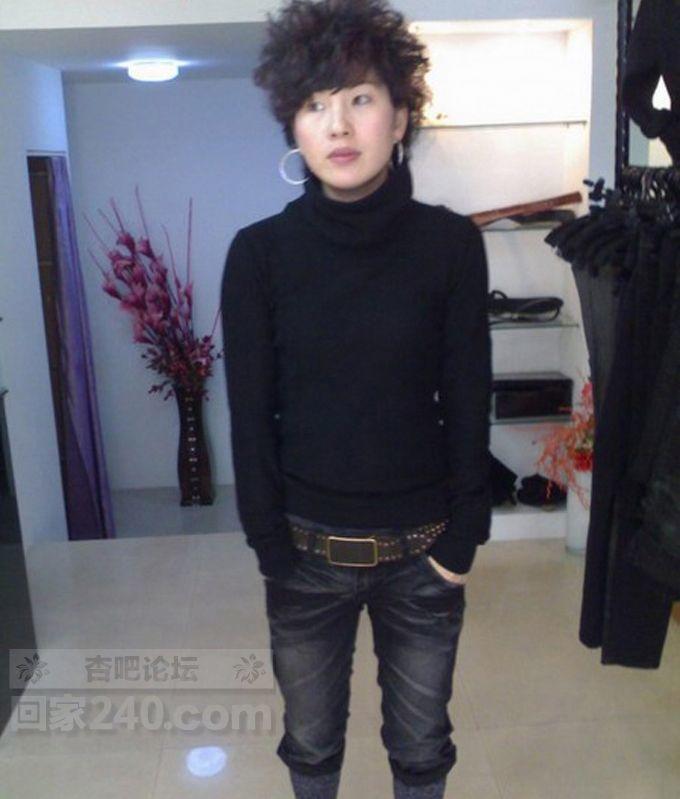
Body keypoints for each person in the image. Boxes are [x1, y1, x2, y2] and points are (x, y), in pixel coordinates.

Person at [220, 1, 492, 797]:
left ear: (400, 116)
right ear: (294, 128)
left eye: (360, 98)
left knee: (422, 748)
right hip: (304, 555)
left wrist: (463, 539)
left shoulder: (450, 244)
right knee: (310, 749)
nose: (337, 124)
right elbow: (250, 415)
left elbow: (468, 393)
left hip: (424, 551)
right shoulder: (259, 255)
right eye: (314, 104)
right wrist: (270, 546)